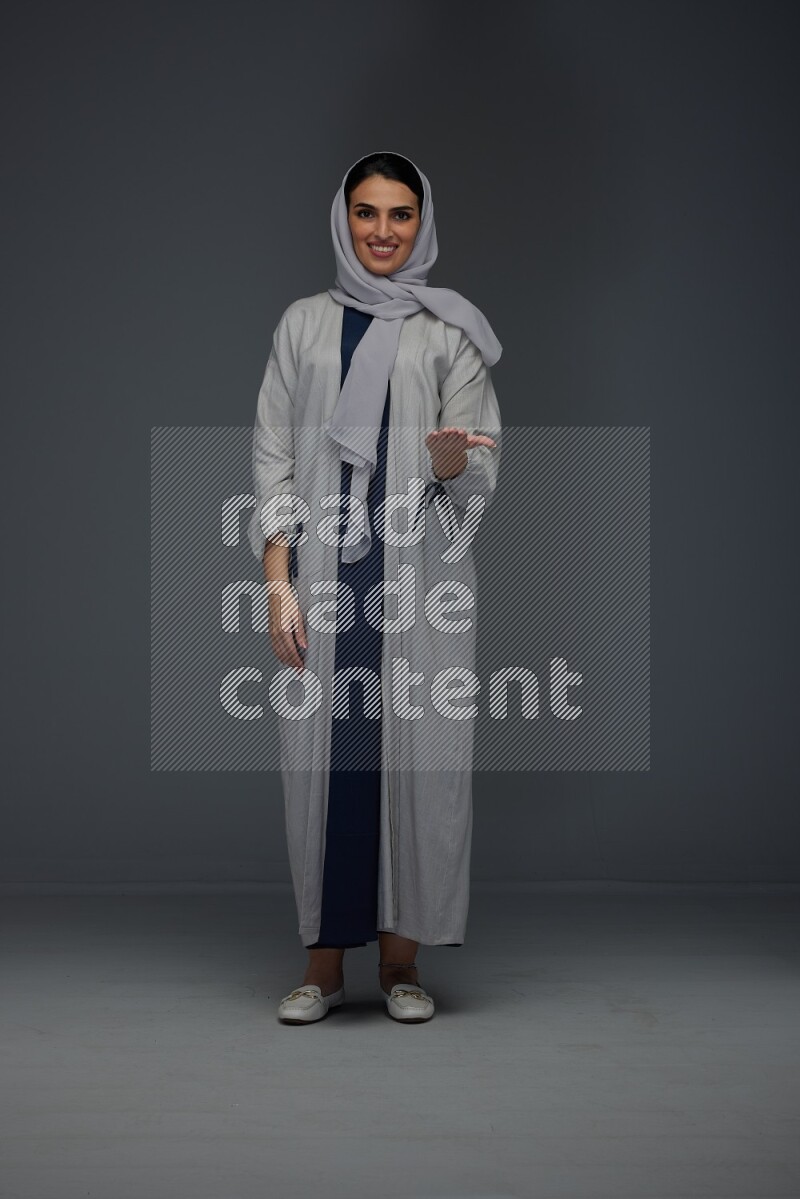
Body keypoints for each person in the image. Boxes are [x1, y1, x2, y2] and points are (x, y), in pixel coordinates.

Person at [247, 150, 502, 1024]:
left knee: (418, 766)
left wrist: (449, 461)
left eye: (400, 214)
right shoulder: (303, 326)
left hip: (417, 580)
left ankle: (402, 964)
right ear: (343, 218)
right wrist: (278, 585)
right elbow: (274, 466)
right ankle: (323, 966)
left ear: (421, 222)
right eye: (367, 213)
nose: (383, 231)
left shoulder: (450, 333)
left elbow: (477, 481)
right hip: (325, 579)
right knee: (322, 768)